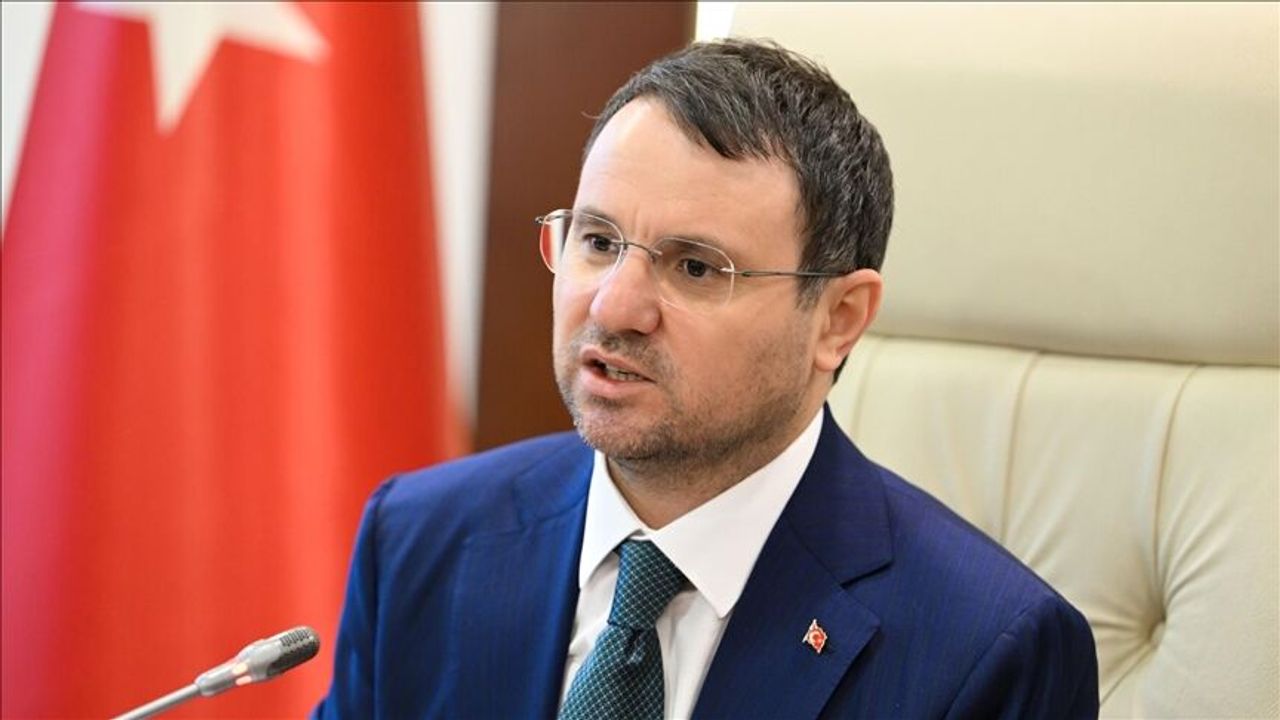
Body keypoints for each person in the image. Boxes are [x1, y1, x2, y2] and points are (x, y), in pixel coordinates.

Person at [313, 39, 1098, 719]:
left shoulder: (989, 649)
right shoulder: (419, 540)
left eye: (694, 267)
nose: (615, 307)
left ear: (838, 319)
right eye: (597, 241)